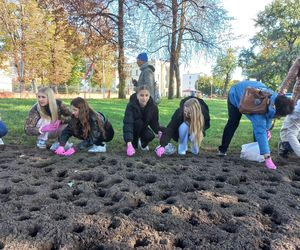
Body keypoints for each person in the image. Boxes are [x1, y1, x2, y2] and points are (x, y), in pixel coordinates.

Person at [218, 80, 294, 170]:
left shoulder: (276, 100)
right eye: (280, 116)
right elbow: (260, 131)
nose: (279, 118)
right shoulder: (259, 111)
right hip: (236, 93)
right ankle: (222, 150)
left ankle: (257, 153)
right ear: (276, 110)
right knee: (233, 122)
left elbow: (269, 116)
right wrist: (268, 159)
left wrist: (267, 129)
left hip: (252, 90)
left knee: (261, 129)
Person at [123, 85, 163, 157]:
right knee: (139, 123)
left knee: (150, 135)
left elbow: (154, 123)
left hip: (143, 128)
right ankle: (133, 144)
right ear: (137, 96)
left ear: (149, 96)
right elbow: (128, 124)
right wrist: (129, 143)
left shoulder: (153, 107)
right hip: (134, 128)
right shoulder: (130, 106)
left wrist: (159, 131)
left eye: (146, 95)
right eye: (141, 95)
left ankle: (143, 143)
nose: (144, 98)